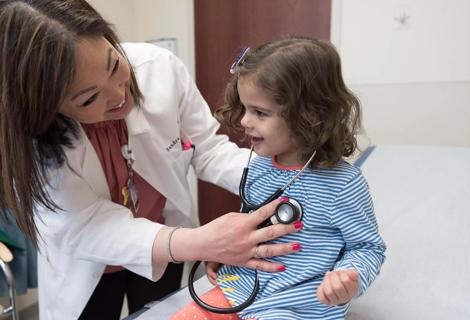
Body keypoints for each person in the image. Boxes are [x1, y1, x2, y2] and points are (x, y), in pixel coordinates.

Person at [0, 1, 303, 319]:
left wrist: (288, 173)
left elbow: (208, 150)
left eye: (114, 65)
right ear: (47, 109)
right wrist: (201, 242)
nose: (118, 95)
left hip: (166, 242)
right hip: (89, 265)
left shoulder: (159, 68)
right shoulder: (32, 139)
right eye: (89, 98)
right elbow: (88, 225)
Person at [172, 37, 386, 320]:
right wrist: (226, 254)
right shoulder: (259, 166)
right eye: (246, 108)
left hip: (298, 304)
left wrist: (348, 276)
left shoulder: (343, 184)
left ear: (309, 116)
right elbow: (249, 227)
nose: (245, 121)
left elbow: (368, 247)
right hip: (241, 288)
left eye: (260, 112)